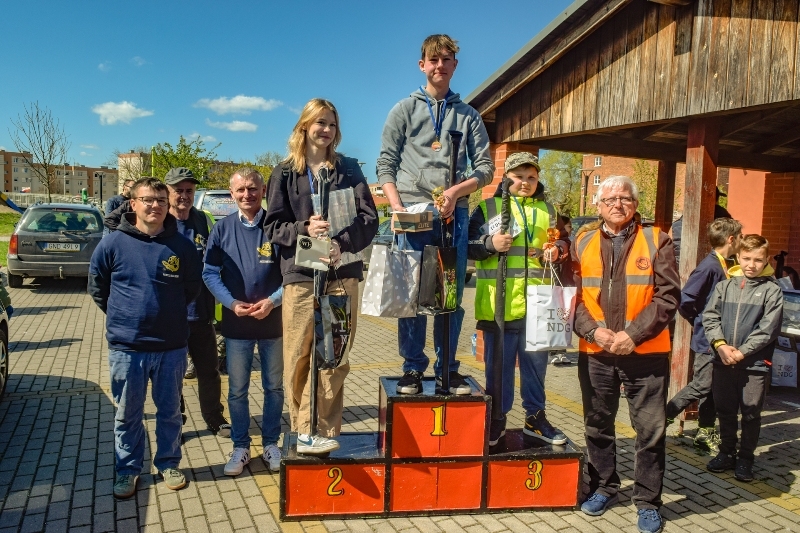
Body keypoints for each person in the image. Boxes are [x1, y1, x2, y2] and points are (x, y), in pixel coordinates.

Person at [376, 34, 494, 395]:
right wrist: (397, 207)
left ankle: (448, 368)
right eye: (433, 59)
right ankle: (412, 368)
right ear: (422, 65)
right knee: (410, 294)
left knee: (449, 293)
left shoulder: (469, 115)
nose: (439, 65)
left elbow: (486, 168)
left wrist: (456, 192)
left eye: (446, 59)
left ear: (455, 66)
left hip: (452, 215)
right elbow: (386, 164)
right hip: (411, 212)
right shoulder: (403, 110)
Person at [265, 98, 378, 455]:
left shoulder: (349, 168)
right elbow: (273, 227)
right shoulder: (284, 172)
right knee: (299, 353)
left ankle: (326, 430)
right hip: (300, 273)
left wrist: (340, 245)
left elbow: (369, 218)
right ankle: (303, 429)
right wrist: (305, 228)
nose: (325, 130)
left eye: (331, 123)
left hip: (340, 271)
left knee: (333, 354)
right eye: (319, 123)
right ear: (304, 127)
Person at [572, 175, 680, 533]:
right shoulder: (582, 239)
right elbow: (570, 296)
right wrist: (593, 331)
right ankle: (604, 486)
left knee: (649, 430)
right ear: (598, 205)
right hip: (596, 351)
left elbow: (668, 297)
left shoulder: (657, 239)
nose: (617, 205)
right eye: (610, 199)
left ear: (636, 205)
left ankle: (648, 502)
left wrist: (633, 335)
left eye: (625, 199)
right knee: (597, 425)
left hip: (645, 353)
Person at [89, 177, 202, 499]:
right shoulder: (112, 244)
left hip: (171, 347)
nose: (156, 206)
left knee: (169, 412)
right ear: (133, 203)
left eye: (161, 201)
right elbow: (98, 288)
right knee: (128, 414)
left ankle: (168, 462)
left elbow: (191, 288)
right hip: (128, 348)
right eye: (148, 200)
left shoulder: (181, 246)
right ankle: (128, 470)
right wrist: (125, 317)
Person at [467, 152, 570, 447]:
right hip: (498, 305)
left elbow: (563, 240)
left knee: (536, 368)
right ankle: (496, 420)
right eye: (518, 176)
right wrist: (489, 243)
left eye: (531, 177)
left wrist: (557, 249)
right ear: (506, 177)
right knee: (497, 370)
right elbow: (468, 246)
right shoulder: (487, 208)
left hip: (537, 303)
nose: (525, 182)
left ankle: (535, 419)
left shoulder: (548, 209)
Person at [203, 167, 285, 475]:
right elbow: (209, 273)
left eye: (253, 188)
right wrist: (231, 303)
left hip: (272, 324)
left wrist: (272, 302)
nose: (247, 194)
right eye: (241, 190)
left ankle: (271, 443)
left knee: (273, 388)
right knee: (237, 390)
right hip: (236, 326)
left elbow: (292, 275)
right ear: (232, 193)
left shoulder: (277, 227)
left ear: (263, 191)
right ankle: (240, 447)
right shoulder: (221, 229)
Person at [703, 234, 783, 482]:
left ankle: (746, 458)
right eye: (746, 258)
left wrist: (742, 351)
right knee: (725, 410)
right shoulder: (724, 286)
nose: (751, 265)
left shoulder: (772, 290)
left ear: (766, 260)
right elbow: (710, 317)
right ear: (737, 256)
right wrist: (721, 346)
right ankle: (727, 452)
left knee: (750, 413)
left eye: (758, 260)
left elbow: (768, 329)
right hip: (722, 360)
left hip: (754, 365)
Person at [666, 218, 742, 453]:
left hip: (721, 339)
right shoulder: (710, 266)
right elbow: (686, 299)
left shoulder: (725, 264)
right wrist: (700, 321)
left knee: (714, 386)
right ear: (731, 239)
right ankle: (664, 417)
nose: (741, 241)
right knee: (702, 384)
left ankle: (705, 431)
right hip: (707, 339)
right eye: (740, 237)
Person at [164, 167, 230, 437]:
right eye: (178, 190)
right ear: (167, 192)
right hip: (170, 317)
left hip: (201, 314)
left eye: (189, 190)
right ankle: (176, 420)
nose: (184, 195)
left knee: (209, 371)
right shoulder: (159, 222)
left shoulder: (204, 220)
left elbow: (218, 260)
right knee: (172, 376)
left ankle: (214, 418)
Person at [671, 187, 731, 267]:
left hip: (678, 266)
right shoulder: (723, 218)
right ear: (716, 199)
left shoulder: (679, 223)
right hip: (712, 267)